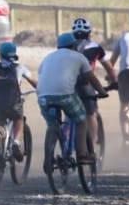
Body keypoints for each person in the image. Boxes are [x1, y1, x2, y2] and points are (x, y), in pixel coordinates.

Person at [38, 32, 107, 167]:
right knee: (81, 121)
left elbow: (43, 75)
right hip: (65, 94)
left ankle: (49, 156)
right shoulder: (79, 57)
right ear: (74, 45)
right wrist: (102, 91)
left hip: (43, 96)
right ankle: (82, 154)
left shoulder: (48, 57)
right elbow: (91, 77)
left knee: (52, 125)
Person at [0, 42, 38, 160]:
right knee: (18, 119)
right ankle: (16, 143)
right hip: (12, 103)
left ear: (0, 55)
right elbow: (34, 82)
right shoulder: (20, 68)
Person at [70, 18, 116, 154]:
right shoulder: (96, 47)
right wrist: (113, 82)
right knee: (91, 114)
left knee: (68, 110)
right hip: (86, 84)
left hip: (67, 84)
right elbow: (109, 68)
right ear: (89, 33)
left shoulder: (67, 46)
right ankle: (93, 145)